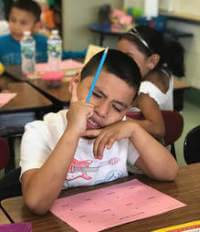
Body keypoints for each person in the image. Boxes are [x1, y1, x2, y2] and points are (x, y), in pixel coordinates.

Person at [19, 49, 178, 215]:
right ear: (74, 83)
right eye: (96, 94)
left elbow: (169, 172)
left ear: (126, 111)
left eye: (117, 107)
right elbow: (36, 203)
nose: (102, 111)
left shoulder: (119, 132)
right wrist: (72, 132)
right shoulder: (40, 131)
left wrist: (134, 129)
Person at [118, 25, 185, 139]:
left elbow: (158, 129)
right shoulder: (164, 72)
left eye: (129, 57)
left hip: (141, 149)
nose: (120, 62)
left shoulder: (145, 92)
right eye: (119, 56)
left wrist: (122, 120)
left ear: (152, 60)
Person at [0, 0, 85, 65]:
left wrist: (88, 52)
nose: (16, 27)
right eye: (13, 20)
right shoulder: (1, 43)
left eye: (23, 23)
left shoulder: (47, 42)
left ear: (37, 26)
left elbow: (64, 55)